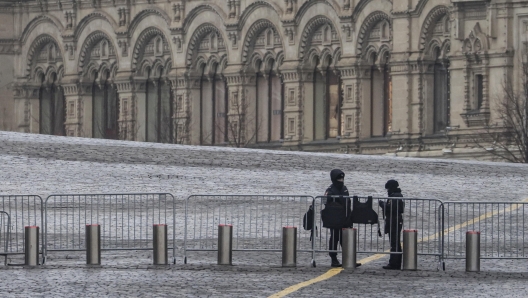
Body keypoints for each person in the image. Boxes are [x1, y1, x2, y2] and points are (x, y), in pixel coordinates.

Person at [323, 169, 361, 268]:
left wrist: (350, 217)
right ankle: (334, 259)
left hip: (345, 218)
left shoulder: (344, 188)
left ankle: (349, 259)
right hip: (335, 219)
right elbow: (325, 201)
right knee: (334, 238)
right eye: (338, 178)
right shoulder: (330, 190)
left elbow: (348, 203)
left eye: (342, 178)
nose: (341, 180)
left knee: (346, 239)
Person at [379, 179, 405, 270]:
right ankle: (395, 262)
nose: (387, 191)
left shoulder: (396, 196)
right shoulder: (396, 195)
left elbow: (391, 209)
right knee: (395, 242)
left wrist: (382, 204)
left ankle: (394, 263)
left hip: (394, 221)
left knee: (394, 243)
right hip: (394, 220)